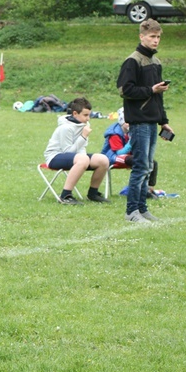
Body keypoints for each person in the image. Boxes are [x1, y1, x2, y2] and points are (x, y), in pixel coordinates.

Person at [117, 18, 173, 223]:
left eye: (158, 37)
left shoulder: (156, 62)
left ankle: (142, 209)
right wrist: (151, 90)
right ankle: (131, 212)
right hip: (138, 121)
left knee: (147, 166)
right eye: (152, 36)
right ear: (142, 37)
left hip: (151, 121)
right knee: (140, 167)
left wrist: (163, 121)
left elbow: (158, 96)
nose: (155, 40)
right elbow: (125, 89)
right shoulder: (133, 60)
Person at [43, 97, 111, 205]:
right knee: (83, 159)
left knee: (103, 160)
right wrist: (83, 136)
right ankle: (65, 196)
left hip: (77, 157)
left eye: (89, 115)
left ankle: (93, 193)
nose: (88, 118)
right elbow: (67, 151)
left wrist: (84, 155)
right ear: (75, 113)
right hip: (55, 156)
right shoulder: (65, 127)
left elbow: (82, 148)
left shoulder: (84, 124)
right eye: (85, 115)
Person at [101, 107, 160, 198]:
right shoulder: (114, 133)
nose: (130, 124)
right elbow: (119, 153)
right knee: (139, 161)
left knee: (151, 162)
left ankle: (148, 188)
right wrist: (131, 143)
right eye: (127, 121)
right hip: (112, 157)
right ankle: (136, 190)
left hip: (127, 156)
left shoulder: (132, 131)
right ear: (121, 121)